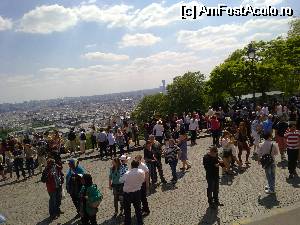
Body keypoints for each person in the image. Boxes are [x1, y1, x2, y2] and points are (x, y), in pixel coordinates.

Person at [120, 159, 145, 225]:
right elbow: (143, 180)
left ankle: (128, 223)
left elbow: (120, 180)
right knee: (138, 209)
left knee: (127, 210)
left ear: (131, 165)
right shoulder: (142, 171)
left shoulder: (127, 173)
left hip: (127, 194)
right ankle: (140, 222)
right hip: (137, 192)